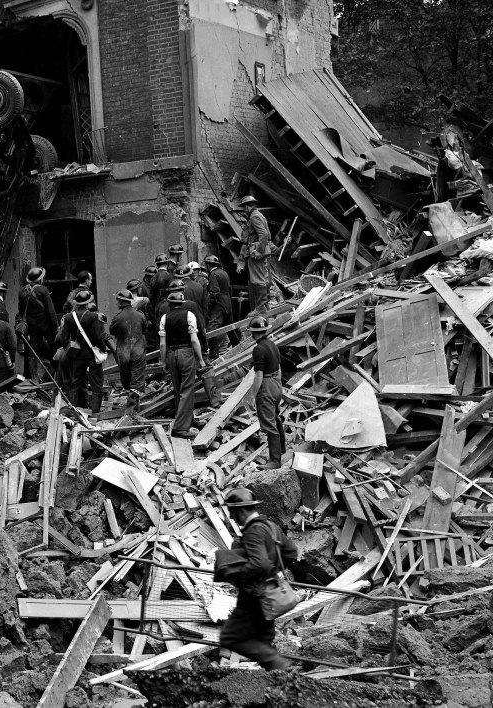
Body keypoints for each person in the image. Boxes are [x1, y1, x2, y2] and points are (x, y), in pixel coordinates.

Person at [215, 487, 297, 670]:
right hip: (270, 595)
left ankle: (278, 664)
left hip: (253, 597)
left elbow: (259, 564)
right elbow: (292, 552)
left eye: (232, 512)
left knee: (229, 637)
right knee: (263, 638)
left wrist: (240, 578)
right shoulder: (271, 527)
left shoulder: (254, 531)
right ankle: (277, 684)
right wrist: (275, 570)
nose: (232, 517)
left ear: (241, 510)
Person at [159, 292, 205, 438]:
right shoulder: (189, 315)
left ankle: (188, 420)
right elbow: (194, 340)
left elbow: (162, 344)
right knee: (187, 390)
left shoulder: (164, 318)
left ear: (169, 304)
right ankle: (180, 428)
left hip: (171, 354)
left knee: (178, 389)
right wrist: (201, 358)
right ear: (182, 302)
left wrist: (164, 361)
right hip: (186, 353)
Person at [56, 291, 109, 411]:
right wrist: (102, 349)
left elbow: (64, 339)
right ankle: (95, 411)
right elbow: (97, 337)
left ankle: (73, 409)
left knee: (75, 382)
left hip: (77, 355)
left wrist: (71, 351)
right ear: (88, 302)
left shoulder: (69, 317)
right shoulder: (93, 316)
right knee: (96, 383)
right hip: (91, 353)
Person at [249, 317, 285, 469]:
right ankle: (281, 448)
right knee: (275, 419)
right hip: (276, 383)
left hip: (267, 386)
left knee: (269, 424)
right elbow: (279, 367)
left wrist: (252, 396)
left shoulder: (258, 349)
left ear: (253, 332)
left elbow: (258, 375)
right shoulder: (272, 344)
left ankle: (275, 461)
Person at [17, 267, 58, 381]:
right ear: (39, 279)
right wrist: (56, 325)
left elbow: (21, 312)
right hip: (46, 326)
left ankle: (34, 378)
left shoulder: (22, 291)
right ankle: (59, 375)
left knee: (32, 352)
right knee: (55, 349)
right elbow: (51, 311)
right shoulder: (43, 290)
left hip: (32, 327)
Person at [110, 290, 148, 413]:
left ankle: (132, 410)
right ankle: (132, 411)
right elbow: (144, 329)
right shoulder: (140, 315)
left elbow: (112, 331)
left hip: (123, 353)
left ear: (120, 302)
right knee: (137, 381)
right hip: (138, 351)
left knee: (126, 381)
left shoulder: (117, 317)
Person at [238, 195, 273, 313]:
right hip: (257, 251)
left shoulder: (254, 217)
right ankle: (265, 305)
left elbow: (264, 234)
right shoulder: (258, 215)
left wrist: (258, 251)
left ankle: (261, 306)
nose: (244, 210)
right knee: (263, 279)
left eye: (244, 207)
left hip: (256, 252)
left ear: (248, 207)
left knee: (258, 280)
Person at [204, 255, 233, 359]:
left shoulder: (213, 274)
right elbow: (229, 289)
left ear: (207, 265)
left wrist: (209, 306)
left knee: (212, 328)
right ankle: (238, 346)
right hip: (227, 302)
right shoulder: (223, 272)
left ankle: (214, 353)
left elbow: (214, 291)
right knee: (229, 326)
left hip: (219, 303)